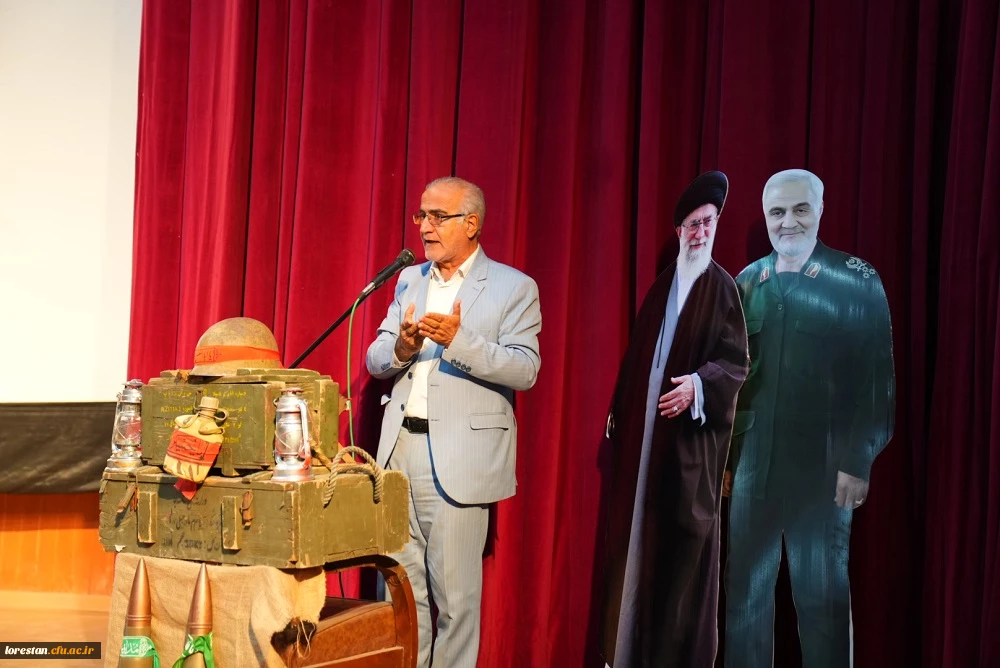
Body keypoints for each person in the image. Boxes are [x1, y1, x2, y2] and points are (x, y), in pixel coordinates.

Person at [366, 176, 541, 668]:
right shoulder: (409, 280)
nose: (425, 227)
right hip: (399, 454)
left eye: (438, 217)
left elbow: (525, 368)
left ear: (471, 223)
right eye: (421, 215)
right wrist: (402, 348)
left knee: (456, 605)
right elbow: (376, 358)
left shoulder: (513, 287)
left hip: (460, 460)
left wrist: (458, 342)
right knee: (400, 597)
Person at [724, 169, 895, 667]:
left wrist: (858, 461)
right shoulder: (746, 283)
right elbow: (734, 380)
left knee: (822, 601)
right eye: (777, 212)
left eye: (800, 209)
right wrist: (728, 461)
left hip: (823, 470)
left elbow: (877, 379)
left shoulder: (855, 279)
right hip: (754, 467)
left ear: (820, 210)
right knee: (744, 601)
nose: (788, 222)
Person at [600, 171, 749, 667]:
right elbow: (634, 362)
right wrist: (619, 421)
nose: (701, 232)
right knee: (632, 554)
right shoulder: (662, 287)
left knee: (678, 568)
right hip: (643, 448)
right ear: (679, 231)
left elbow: (735, 363)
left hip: (685, 456)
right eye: (693, 224)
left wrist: (698, 386)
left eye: (708, 222)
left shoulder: (723, 289)